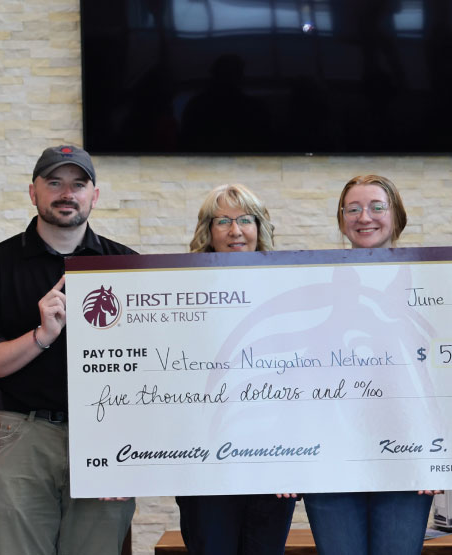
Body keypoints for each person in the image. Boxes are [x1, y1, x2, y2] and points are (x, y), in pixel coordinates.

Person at [0, 145, 136, 554]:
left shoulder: (126, 264)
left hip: (105, 438)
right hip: (23, 433)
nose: (66, 193)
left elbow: (147, 369)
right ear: (33, 191)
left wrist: (130, 457)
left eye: (78, 184)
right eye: (54, 182)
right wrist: (41, 335)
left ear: (95, 195)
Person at [301, 175, 433, 555]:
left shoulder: (430, 278)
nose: (365, 217)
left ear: (396, 215)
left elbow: (443, 371)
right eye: (353, 209)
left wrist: (441, 458)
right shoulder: (309, 280)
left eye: (377, 207)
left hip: (407, 463)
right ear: (341, 219)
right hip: (331, 462)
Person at [175, 183, 298, 554]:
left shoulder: (290, 288)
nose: (235, 230)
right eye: (223, 221)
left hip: (273, 464)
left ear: (259, 227)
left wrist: (302, 459)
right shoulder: (179, 291)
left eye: (245, 220)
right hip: (205, 463)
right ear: (206, 231)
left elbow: (308, 377)